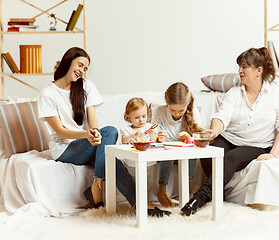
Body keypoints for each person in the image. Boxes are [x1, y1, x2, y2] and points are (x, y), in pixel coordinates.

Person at [38, 47, 169, 217]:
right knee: (111, 132)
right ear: (68, 61)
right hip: (65, 148)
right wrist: (86, 134)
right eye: (80, 65)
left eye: (85, 68)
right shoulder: (48, 94)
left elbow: (92, 119)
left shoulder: (86, 86)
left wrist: (94, 133)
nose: (82, 71)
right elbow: (60, 131)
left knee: (110, 157)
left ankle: (141, 204)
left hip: (88, 142)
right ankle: (97, 187)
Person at [180, 47, 279, 216]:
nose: (239, 70)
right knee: (209, 152)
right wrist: (213, 131)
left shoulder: (277, 95)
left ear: (258, 71)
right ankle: (219, 191)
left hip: (257, 144)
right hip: (230, 138)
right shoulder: (234, 93)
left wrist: (273, 154)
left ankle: (201, 198)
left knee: (232, 157)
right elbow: (221, 117)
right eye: (239, 66)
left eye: (244, 66)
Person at [154, 82, 203, 207]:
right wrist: (159, 138)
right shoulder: (160, 112)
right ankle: (162, 191)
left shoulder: (194, 112)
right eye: (172, 110)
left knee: (191, 154)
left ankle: (185, 192)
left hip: (185, 154)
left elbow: (199, 138)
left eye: (181, 110)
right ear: (167, 104)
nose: (176, 114)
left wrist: (189, 138)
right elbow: (152, 134)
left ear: (187, 105)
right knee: (169, 150)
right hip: (166, 154)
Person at [120, 97, 159, 209]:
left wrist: (152, 135)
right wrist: (133, 136)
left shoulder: (148, 127)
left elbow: (154, 140)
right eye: (137, 117)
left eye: (144, 116)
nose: (141, 120)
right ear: (128, 117)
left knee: (148, 184)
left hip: (149, 162)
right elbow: (124, 140)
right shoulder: (127, 129)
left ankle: (145, 202)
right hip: (133, 163)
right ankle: (137, 201)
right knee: (136, 183)